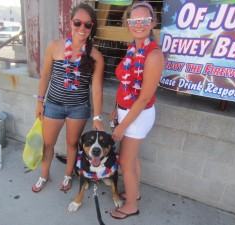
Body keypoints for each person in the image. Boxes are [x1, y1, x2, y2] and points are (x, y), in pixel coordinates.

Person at [32, 3, 105, 193]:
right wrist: (40, 101)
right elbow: (45, 75)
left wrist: (97, 117)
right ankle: (44, 174)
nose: (82, 28)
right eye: (78, 22)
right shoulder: (54, 46)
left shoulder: (95, 56)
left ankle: (67, 174)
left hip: (78, 108)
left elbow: (96, 89)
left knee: (72, 145)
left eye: (87, 25)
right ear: (70, 22)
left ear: (92, 27)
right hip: (53, 105)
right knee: (48, 144)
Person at [109, 1, 164, 219]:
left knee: (125, 161)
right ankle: (136, 192)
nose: (138, 25)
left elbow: (143, 99)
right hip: (126, 111)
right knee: (132, 159)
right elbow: (125, 83)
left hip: (137, 116)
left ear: (152, 22)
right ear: (128, 24)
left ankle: (131, 205)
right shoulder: (134, 48)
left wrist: (122, 125)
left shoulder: (153, 55)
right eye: (134, 21)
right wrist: (116, 108)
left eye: (144, 20)